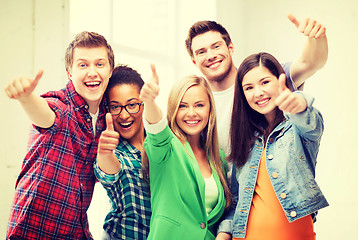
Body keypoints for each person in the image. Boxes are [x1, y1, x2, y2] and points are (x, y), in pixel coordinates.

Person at [4, 31, 114, 239]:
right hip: (31, 231)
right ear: (70, 72)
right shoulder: (61, 106)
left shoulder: (106, 118)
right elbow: (45, 114)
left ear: (110, 70)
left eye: (100, 64)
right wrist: (26, 98)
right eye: (83, 65)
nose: (92, 72)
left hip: (75, 230)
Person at [218, 52, 328, 240]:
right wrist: (223, 233)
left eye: (265, 82)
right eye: (249, 87)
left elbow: (312, 124)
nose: (258, 92)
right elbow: (236, 201)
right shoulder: (245, 140)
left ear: (280, 81)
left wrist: (299, 104)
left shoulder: (296, 129)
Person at [185, 14, 328, 157]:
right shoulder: (196, 104)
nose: (210, 56)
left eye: (216, 46)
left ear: (230, 48)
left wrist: (316, 38)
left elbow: (310, 63)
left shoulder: (264, 80)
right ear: (194, 61)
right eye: (201, 52)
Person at [140, 65, 231, 240]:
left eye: (199, 105)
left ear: (209, 109)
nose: (191, 113)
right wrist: (150, 102)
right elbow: (156, 129)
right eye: (183, 106)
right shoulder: (167, 148)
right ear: (174, 109)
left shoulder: (218, 157)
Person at [94, 65, 151, 240]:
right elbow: (109, 172)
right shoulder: (115, 151)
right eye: (115, 107)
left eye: (132, 104)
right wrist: (104, 154)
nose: (124, 115)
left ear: (144, 104)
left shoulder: (160, 142)